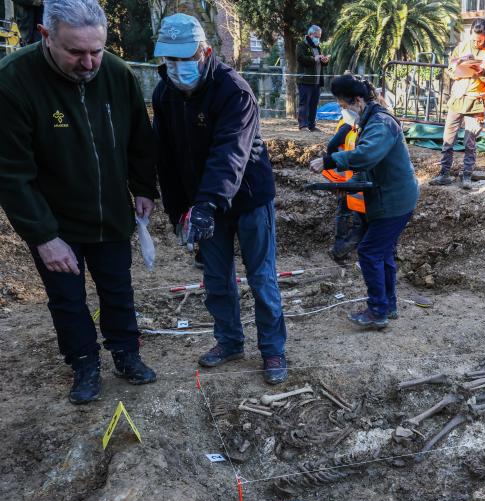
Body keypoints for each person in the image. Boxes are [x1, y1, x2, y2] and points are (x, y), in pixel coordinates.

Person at [0, 0, 157, 404]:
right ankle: (85, 362)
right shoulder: (14, 81)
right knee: (67, 298)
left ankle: (126, 353)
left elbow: (140, 139)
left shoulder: (118, 75)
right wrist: (43, 235)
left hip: (109, 215)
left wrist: (143, 188)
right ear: (46, 35)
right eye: (76, 52)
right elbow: (11, 173)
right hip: (56, 222)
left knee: (118, 289)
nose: (89, 63)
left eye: (96, 51)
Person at [151, 14, 288, 384]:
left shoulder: (234, 90)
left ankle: (273, 349)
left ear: (206, 51)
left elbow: (231, 153)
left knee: (261, 277)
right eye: (170, 59)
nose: (177, 67)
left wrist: (207, 205)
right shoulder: (164, 94)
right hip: (202, 202)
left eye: (185, 58)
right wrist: (179, 211)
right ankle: (229, 341)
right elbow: (167, 157)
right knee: (216, 278)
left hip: (247, 198)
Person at [310, 75, 419, 329]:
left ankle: (377, 310)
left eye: (344, 105)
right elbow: (370, 165)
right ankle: (387, 305)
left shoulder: (380, 123)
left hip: (394, 200)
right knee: (383, 252)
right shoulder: (371, 118)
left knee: (370, 251)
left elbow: (368, 155)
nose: (343, 111)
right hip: (387, 196)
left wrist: (330, 161)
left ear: (357, 100)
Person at [429, 18, 485, 190]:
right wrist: (457, 69)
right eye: (474, 39)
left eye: (480, 40)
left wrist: (483, 72)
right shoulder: (462, 47)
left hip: (475, 101)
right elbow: (450, 69)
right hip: (458, 98)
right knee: (448, 139)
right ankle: (444, 173)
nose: (476, 42)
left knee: (470, 142)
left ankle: (466, 176)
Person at [322, 112, 367, 260]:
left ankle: (340, 247)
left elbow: (333, 147)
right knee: (360, 221)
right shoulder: (352, 125)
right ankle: (340, 249)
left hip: (347, 180)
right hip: (353, 182)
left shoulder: (350, 124)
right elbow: (332, 146)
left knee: (346, 213)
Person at [296, 24, 329, 132]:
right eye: (317, 36)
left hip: (317, 81)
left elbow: (319, 62)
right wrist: (314, 58)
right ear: (310, 35)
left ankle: (311, 125)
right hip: (305, 80)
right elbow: (300, 58)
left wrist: (324, 61)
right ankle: (303, 125)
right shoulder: (301, 45)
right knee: (304, 103)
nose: (318, 38)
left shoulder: (317, 47)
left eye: (319, 36)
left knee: (314, 104)